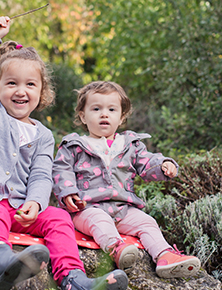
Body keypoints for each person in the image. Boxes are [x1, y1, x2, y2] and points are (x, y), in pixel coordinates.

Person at [0, 17, 128, 290]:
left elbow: (41, 174)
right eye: (12, 83)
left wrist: (34, 202)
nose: (21, 91)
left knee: (59, 217)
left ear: (41, 91)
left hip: (20, 210)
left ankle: (74, 282)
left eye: (30, 84)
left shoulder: (43, 135)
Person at [52, 81, 201, 278]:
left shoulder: (130, 145)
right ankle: (116, 249)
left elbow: (147, 163)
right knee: (100, 220)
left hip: (123, 209)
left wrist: (163, 165)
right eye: (96, 109)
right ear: (83, 116)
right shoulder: (75, 145)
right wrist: (68, 192)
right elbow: (61, 169)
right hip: (86, 209)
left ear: (121, 117)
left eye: (111, 109)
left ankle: (164, 257)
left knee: (147, 222)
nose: (104, 114)